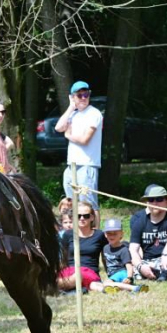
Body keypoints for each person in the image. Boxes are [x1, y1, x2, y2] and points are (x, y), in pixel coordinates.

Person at [55, 81, 103, 226]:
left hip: (87, 165)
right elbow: (58, 127)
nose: (83, 98)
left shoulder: (94, 114)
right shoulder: (73, 114)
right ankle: (78, 236)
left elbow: (84, 139)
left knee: (89, 205)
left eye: (86, 94)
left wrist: (68, 135)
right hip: (71, 166)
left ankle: (96, 237)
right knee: (73, 204)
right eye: (79, 95)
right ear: (73, 97)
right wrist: (70, 107)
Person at [129, 185, 167, 281]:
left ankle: (164, 272)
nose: (155, 203)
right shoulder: (139, 222)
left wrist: (165, 255)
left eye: (159, 199)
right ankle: (156, 272)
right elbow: (133, 249)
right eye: (151, 200)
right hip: (148, 261)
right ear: (147, 203)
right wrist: (140, 266)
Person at [57, 201, 107, 293]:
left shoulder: (99, 235)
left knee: (78, 276)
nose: (82, 218)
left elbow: (105, 257)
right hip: (69, 270)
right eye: (78, 216)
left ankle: (60, 286)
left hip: (90, 271)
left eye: (86, 216)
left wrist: (110, 275)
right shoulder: (68, 235)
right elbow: (63, 258)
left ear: (92, 217)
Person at [101, 218, 148, 293]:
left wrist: (129, 277)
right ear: (105, 234)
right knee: (112, 284)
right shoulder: (105, 248)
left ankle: (135, 288)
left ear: (121, 234)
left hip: (122, 273)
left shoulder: (123, 250)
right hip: (113, 275)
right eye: (109, 233)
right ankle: (122, 288)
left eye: (115, 233)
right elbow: (105, 261)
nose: (112, 236)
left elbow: (129, 266)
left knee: (106, 284)